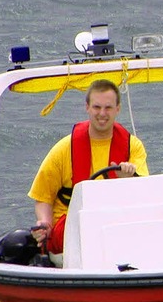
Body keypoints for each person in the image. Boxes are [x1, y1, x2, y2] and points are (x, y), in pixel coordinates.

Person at [29, 79, 149, 255]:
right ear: (87, 108)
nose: (102, 113)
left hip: (116, 226)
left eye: (108, 108)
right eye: (96, 107)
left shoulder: (133, 147)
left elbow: (145, 192)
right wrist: (44, 223)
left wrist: (129, 179)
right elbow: (43, 197)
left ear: (118, 109)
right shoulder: (64, 149)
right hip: (72, 232)